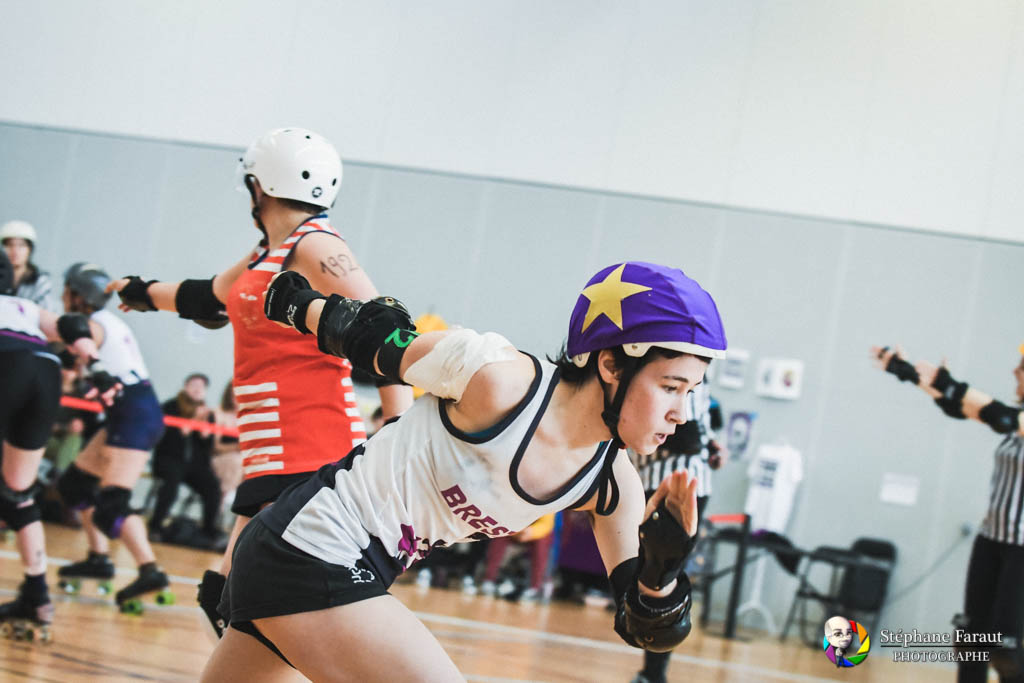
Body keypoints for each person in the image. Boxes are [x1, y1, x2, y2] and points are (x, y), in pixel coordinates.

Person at [200, 260, 727, 681]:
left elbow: (644, 630)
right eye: (670, 386)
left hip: (329, 559)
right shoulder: (501, 382)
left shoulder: (613, 483)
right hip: (314, 546)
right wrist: (297, 303)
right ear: (611, 364)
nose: (681, 412)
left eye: (690, 392)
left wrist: (661, 573)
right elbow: (377, 340)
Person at [104, 127, 413, 636]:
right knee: (230, 597)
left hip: (311, 441)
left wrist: (398, 427)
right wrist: (140, 291)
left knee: (253, 597)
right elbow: (207, 298)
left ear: (259, 187)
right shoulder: (265, 254)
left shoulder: (315, 246)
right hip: (271, 446)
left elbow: (389, 331)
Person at [873, 344, 1024, 683]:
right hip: (991, 541)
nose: (1015, 372)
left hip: (1021, 550)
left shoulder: (1015, 421)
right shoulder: (1016, 426)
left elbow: (998, 415)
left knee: (1007, 648)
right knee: (971, 638)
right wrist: (910, 374)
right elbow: (960, 408)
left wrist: (950, 383)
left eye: (1022, 367)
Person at [0, 251, 113, 639]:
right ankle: (36, 593)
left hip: (6, 362)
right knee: (18, 493)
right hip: (43, 371)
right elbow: (69, 324)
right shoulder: (26, 306)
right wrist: (93, 363)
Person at [54, 263, 169, 609]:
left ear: (78, 295)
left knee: (111, 506)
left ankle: (150, 570)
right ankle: (98, 559)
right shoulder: (108, 322)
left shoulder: (91, 326)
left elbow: (70, 368)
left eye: (67, 290)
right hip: (130, 412)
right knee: (75, 485)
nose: (63, 297)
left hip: (134, 414)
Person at [629, 382, 729, 683]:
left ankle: (653, 673)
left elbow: (700, 431)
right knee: (650, 573)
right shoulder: (666, 367)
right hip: (653, 477)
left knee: (662, 573)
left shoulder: (700, 379)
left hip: (690, 485)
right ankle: (652, 671)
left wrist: (712, 445)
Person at [149, 373, 225, 548]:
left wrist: (205, 434)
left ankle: (209, 530)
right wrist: (193, 421)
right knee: (171, 484)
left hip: (194, 465)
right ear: (185, 386)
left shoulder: (208, 413)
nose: (198, 389)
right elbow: (167, 437)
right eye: (194, 385)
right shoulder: (170, 407)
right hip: (169, 459)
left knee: (213, 487)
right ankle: (156, 526)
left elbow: (208, 447)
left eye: (202, 387)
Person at [0, 220, 57, 311]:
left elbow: (47, 312)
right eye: (10, 245)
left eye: (21, 245)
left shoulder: (40, 282)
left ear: (30, 250)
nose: (15, 251)